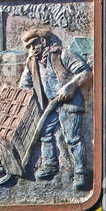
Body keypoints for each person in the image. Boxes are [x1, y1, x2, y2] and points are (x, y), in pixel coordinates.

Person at [18, 26, 92, 190]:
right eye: (28, 47)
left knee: (72, 138)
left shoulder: (61, 54)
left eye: (34, 44)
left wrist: (71, 86)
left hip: (69, 102)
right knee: (44, 133)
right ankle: (50, 164)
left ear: (43, 42)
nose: (32, 49)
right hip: (50, 104)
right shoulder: (31, 62)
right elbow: (24, 85)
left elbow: (85, 72)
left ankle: (80, 171)